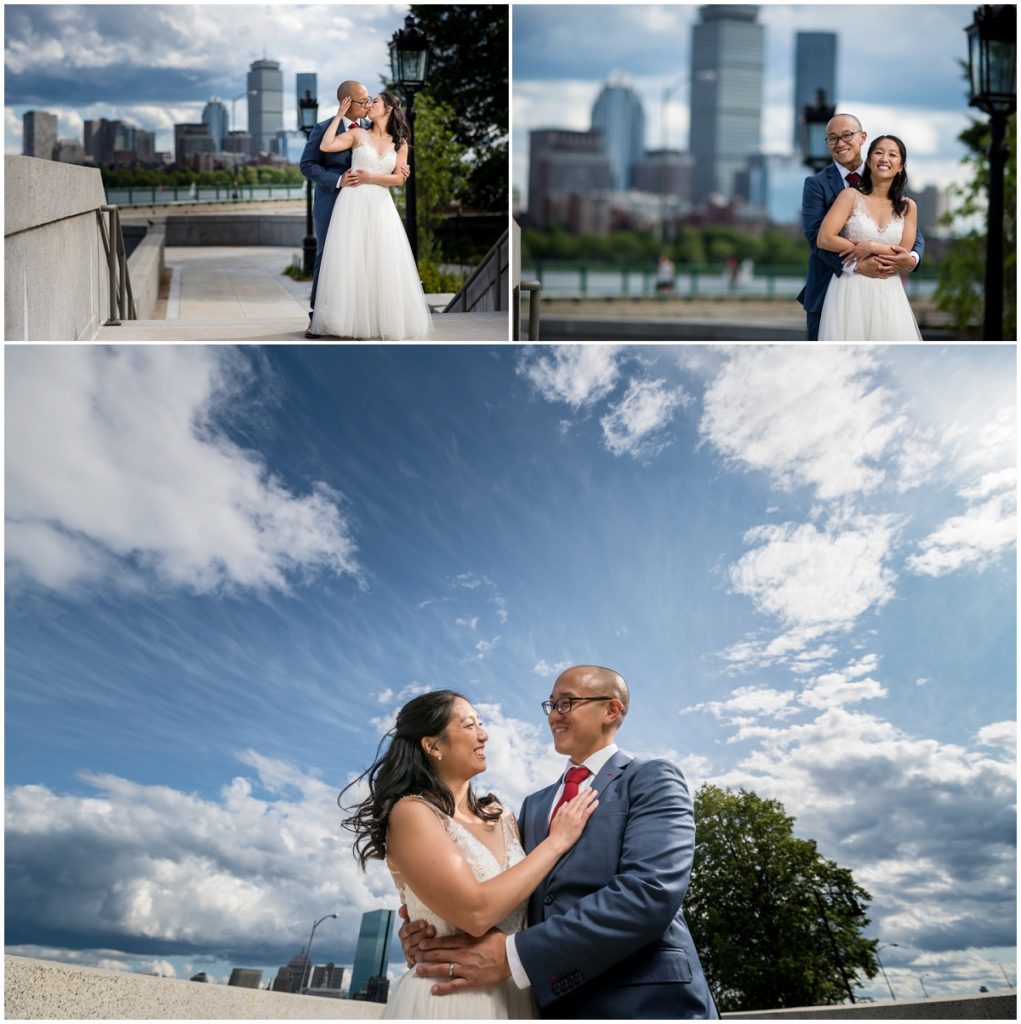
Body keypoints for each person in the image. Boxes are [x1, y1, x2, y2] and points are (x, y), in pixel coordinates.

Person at [401, 665, 719, 1020]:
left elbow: (650, 893)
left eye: (566, 703)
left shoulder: (652, 778)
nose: (553, 716)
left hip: (644, 1003)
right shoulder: (532, 807)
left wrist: (514, 955)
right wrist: (433, 927)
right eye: (550, 705)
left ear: (611, 710)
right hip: (550, 1006)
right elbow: (514, 893)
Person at [339, 689, 598, 1019]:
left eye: (482, 723)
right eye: (469, 725)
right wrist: (557, 842)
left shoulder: (503, 816)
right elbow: (475, 913)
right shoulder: (412, 813)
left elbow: (530, 907)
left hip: (516, 995)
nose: (483, 734)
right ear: (432, 745)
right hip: (447, 999)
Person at [308, 90, 432, 340]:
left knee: (380, 260)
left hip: (380, 206)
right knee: (349, 261)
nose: (369, 104)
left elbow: (399, 178)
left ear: (387, 109)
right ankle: (341, 321)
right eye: (367, 100)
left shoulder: (401, 143)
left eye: (374, 101)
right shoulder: (357, 133)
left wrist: (369, 177)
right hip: (351, 203)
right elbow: (326, 145)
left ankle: (376, 320)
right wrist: (339, 115)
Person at [797, 113, 924, 340]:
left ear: (862, 137)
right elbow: (816, 236)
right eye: (832, 138)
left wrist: (911, 258)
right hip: (832, 288)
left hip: (886, 291)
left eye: (847, 136)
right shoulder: (816, 185)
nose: (840, 143)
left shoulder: (885, 179)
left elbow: (911, 234)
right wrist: (855, 266)